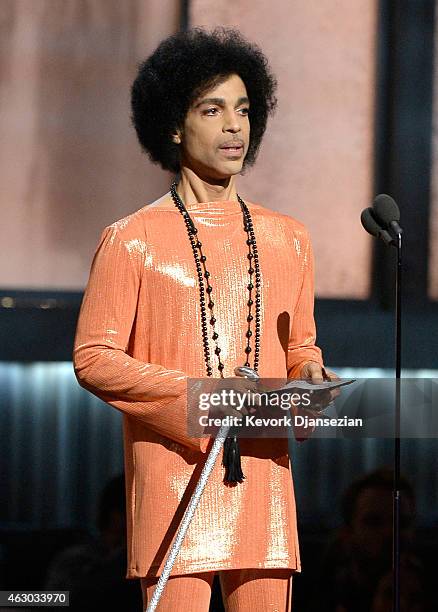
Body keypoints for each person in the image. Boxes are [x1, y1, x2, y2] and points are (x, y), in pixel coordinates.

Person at [73, 27, 335, 611]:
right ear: (173, 125)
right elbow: (93, 358)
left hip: (264, 484)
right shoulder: (130, 240)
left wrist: (312, 376)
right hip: (174, 482)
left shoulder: (288, 238)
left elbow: (301, 349)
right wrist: (194, 399)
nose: (234, 127)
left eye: (243, 110)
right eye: (212, 110)